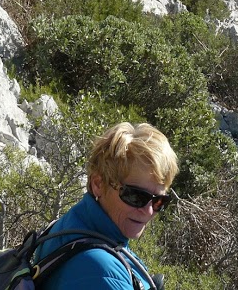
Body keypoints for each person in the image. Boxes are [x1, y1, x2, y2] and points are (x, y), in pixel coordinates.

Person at [36, 122, 178, 290]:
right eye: (135, 196)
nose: (148, 211)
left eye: (158, 201)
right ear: (98, 184)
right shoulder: (100, 270)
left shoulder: (73, 226)